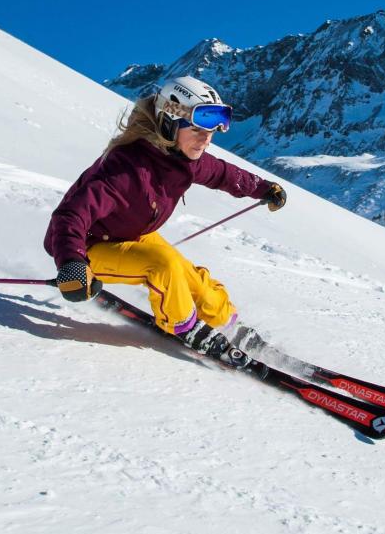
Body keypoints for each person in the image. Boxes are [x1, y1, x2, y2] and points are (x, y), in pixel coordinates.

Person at [44, 76, 286, 356]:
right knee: (164, 266)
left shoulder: (184, 159)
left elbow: (223, 173)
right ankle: (184, 326)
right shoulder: (124, 168)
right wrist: (73, 263)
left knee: (193, 280)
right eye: (196, 128)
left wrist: (263, 188)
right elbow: (69, 216)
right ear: (170, 122)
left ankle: (229, 324)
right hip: (88, 247)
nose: (206, 137)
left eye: (213, 129)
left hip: (133, 236)